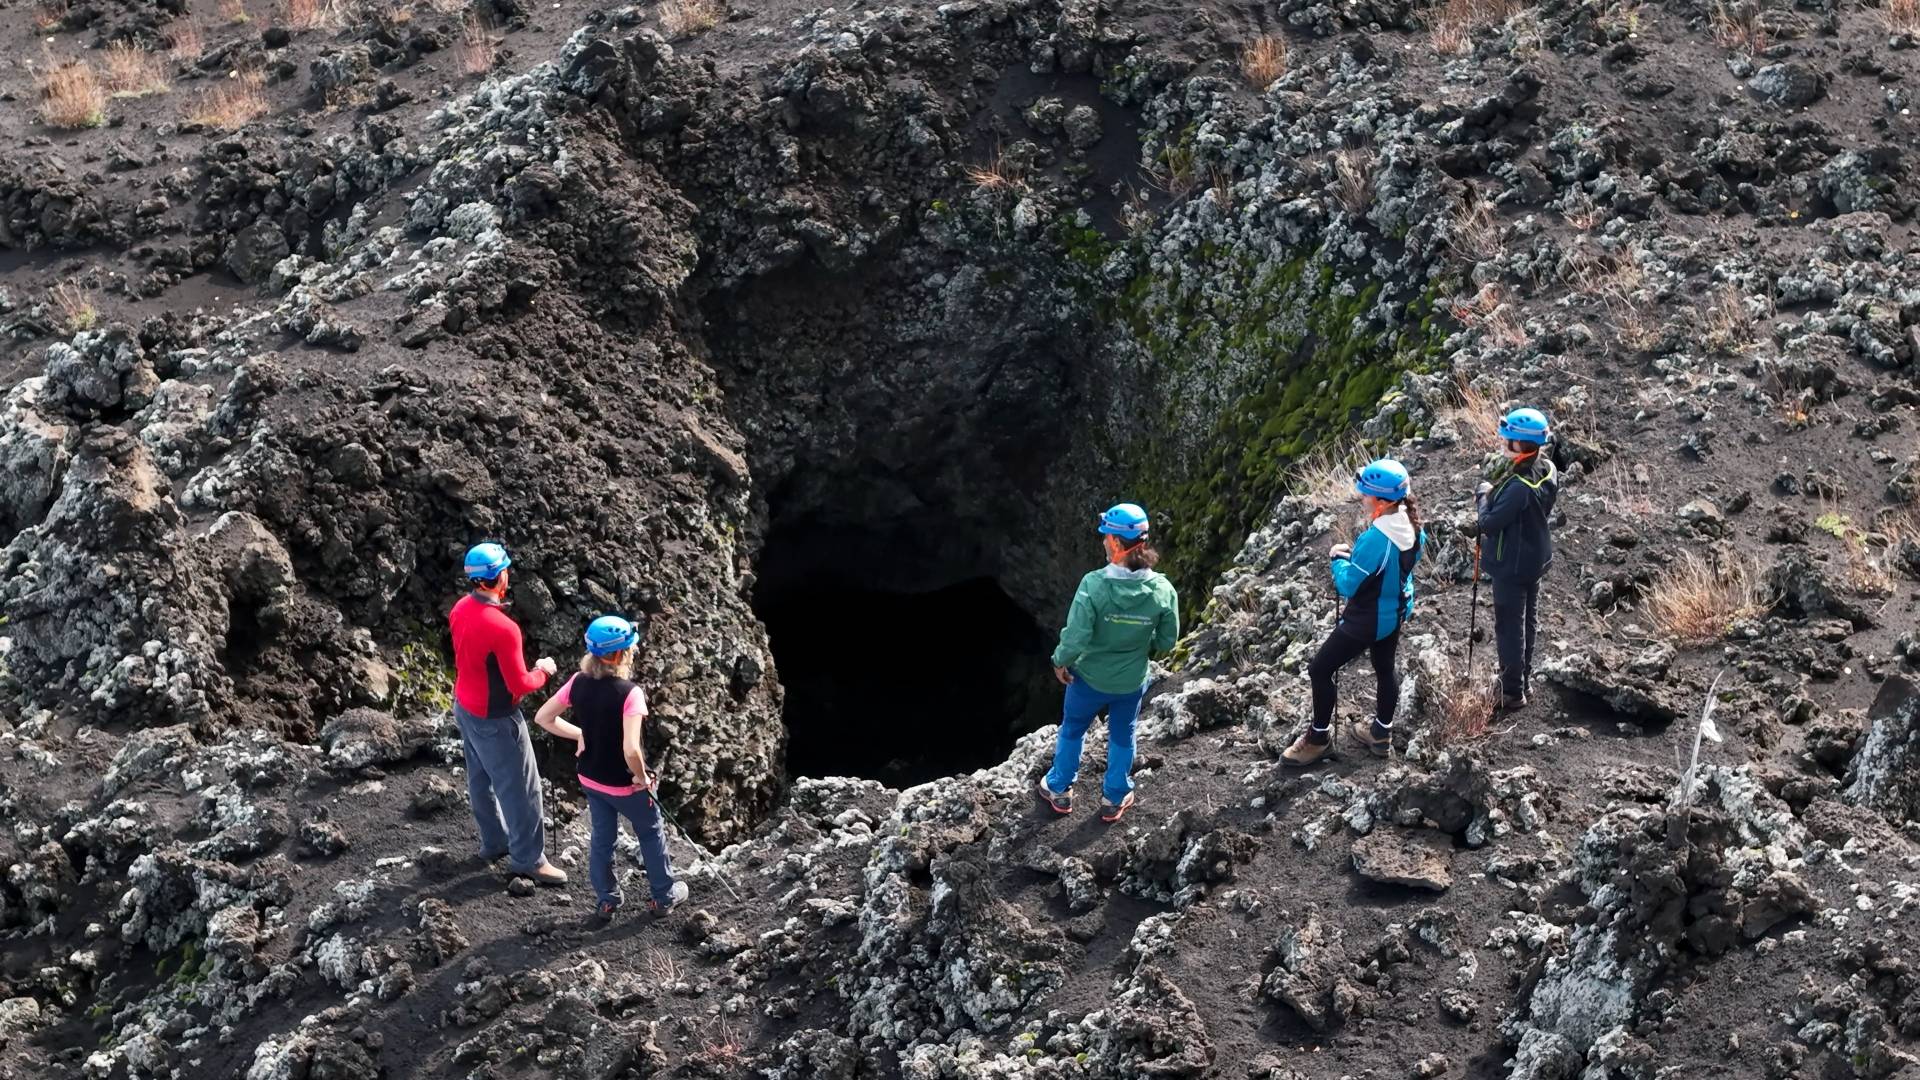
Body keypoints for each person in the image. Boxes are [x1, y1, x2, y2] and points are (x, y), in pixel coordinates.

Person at [533, 615, 688, 918]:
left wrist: (580, 733)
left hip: (590, 778)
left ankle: (607, 900)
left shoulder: (578, 682)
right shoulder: (630, 693)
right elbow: (631, 748)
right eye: (630, 648)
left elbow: (543, 718)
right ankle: (663, 896)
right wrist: (642, 778)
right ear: (620, 655)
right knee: (651, 831)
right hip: (623, 783)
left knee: (603, 837)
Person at [1036, 503, 1180, 823]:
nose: (1102, 542)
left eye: (1105, 537)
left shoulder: (1094, 586)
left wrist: (1061, 661)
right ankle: (1114, 796)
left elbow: (1076, 636)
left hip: (1087, 678)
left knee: (1073, 728)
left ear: (1116, 542)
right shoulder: (1162, 591)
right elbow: (1168, 642)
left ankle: (1059, 788)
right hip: (1130, 682)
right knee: (1122, 733)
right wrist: (1142, 646)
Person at [1283, 459, 1425, 766]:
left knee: (1319, 669)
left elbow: (1349, 583)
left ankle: (1318, 738)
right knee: (1385, 666)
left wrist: (1337, 558)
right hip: (1395, 610)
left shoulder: (1376, 537)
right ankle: (1381, 733)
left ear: (1382, 500)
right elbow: (1400, 568)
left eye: (1366, 494)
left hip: (1368, 618)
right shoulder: (1411, 525)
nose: (1362, 498)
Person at [448, 542, 567, 885]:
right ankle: (528, 859)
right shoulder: (503, 628)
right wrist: (544, 670)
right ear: (500, 576)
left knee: (480, 778)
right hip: (497, 718)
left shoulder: (460, 608)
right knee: (522, 789)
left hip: (465, 707)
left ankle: (494, 842)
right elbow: (521, 681)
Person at [1476, 408, 1558, 710]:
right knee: (1528, 619)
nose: (1502, 442)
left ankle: (1511, 692)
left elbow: (1488, 523)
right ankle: (1523, 679)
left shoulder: (1518, 488)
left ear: (1520, 444)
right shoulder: (1548, 468)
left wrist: (1482, 496)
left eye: (1508, 439)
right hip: (1536, 557)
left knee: (1509, 626)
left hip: (1510, 564)